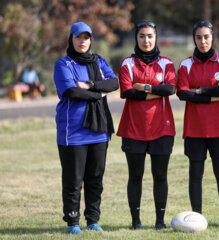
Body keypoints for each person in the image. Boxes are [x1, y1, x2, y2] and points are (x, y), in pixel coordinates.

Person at [54, 22, 119, 234]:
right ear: (71, 39)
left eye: (86, 37)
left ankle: (93, 220)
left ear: (91, 40)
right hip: (73, 132)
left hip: (99, 129)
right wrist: (99, 93)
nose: (83, 41)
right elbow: (72, 92)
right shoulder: (63, 64)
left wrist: (90, 85)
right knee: (74, 180)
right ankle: (73, 222)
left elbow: (114, 83)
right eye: (78, 37)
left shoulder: (99, 61)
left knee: (95, 178)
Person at [117, 21, 176, 230]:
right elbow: (128, 92)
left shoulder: (166, 63)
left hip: (162, 129)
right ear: (136, 38)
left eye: (150, 36)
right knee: (135, 176)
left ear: (156, 37)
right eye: (142, 36)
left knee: (160, 176)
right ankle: (136, 222)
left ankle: (160, 222)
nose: (146, 40)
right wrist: (155, 91)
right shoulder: (127, 63)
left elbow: (170, 90)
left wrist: (145, 87)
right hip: (133, 128)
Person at [177, 21, 219, 227]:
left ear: (213, 37)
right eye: (199, 37)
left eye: (206, 37)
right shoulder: (185, 65)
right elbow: (183, 93)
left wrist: (198, 91)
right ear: (194, 38)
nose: (203, 41)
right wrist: (210, 95)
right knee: (195, 176)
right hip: (194, 129)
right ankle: (196, 220)